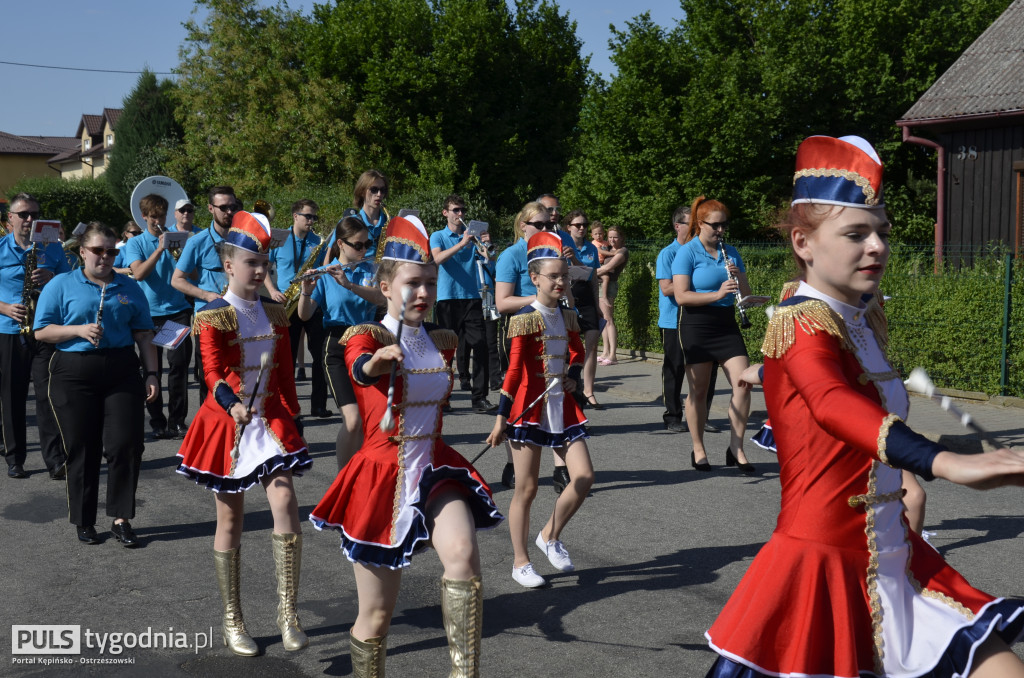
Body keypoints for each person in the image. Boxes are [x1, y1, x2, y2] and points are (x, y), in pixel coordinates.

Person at [704, 135, 1024, 678]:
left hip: (895, 557)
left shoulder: (858, 317)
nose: (877, 246)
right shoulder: (799, 321)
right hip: (823, 564)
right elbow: (833, 405)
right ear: (803, 243)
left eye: (882, 232)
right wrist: (947, 461)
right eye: (856, 234)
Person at [310, 215, 503, 677]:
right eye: (413, 283)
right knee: (377, 617)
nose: (423, 293)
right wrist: (378, 361)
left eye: (430, 284)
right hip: (382, 474)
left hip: (435, 466)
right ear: (385, 287)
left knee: (463, 559)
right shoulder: (365, 337)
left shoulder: (441, 339)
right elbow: (360, 371)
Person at [175, 210, 312, 656]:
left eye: (264, 264)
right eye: (250, 263)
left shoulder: (274, 312)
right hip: (228, 421)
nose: (258, 271)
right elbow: (211, 371)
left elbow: (287, 371)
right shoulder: (213, 315)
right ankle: (233, 618)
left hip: (269, 419)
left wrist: (292, 414)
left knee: (285, 498)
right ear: (228, 265)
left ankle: (288, 612)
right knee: (230, 518)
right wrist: (232, 404)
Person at [33, 222, 159, 546]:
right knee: (82, 448)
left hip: (120, 368)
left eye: (111, 250)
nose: (105, 256)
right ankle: (84, 519)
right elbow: (42, 331)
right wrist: (76, 330)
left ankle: (121, 518)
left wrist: (153, 373)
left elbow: (144, 335)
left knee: (126, 445)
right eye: (98, 250)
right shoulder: (61, 284)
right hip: (74, 370)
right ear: (82, 252)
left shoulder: (129, 288)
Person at [487, 230, 594, 588]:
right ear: (534, 279)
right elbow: (513, 371)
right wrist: (502, 417)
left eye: (564, 275)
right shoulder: (524, 318)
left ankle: (549, 535)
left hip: (561, 407)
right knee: (527, 488)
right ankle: (521, 562)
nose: (561, 281)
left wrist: (574, 377)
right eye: (554, 276)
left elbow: (577, 352)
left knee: (583, 477)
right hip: (527, 410)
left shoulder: (568, 316)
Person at [671, 197, 754, 472]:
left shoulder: (730, 252)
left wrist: (739, 280)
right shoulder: (688, 252)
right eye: (715, 225)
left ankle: (736, 448)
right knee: (699, 390)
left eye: (724, 225)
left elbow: (746, 292)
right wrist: (717, 293)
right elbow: (681, 296)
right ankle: (698, 448)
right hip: (696, 324)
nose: (721, 231)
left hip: (726, 323)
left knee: (743, 383)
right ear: (699, 224)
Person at [297, 215, 384, 469]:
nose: (364, 249)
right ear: (341, 244)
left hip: (368, 344)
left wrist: (348, 284)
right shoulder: (325, 274)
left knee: (371, 420)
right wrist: (306, 290)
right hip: (336, 346)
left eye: (368, 244)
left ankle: (364, 472)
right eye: (358, 245)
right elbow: (304, 314)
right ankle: (344, 479)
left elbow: (381, 299)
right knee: (353, 420)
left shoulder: (371, 270)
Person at [0, 193, 70, 479]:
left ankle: (54, 459)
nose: (30, 219)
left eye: (35, 214)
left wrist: (52, 278)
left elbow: (71, 283)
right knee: (12, 396)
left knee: (48, 395)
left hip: (43, 330)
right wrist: (4, 307)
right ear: (10, 220)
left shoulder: (52, 248)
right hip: (10, 329)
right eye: (24, 214)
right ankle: (15, 457)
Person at [123, 193, 194, 440]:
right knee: (152, 370)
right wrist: (160, 249)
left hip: (176, 310)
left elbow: (193, 274)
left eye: (162, 216)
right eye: (153, 217)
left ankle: (177, 420)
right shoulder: (136, 243)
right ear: (144, 217)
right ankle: (157, 421)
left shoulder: (178, 239)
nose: (158, 221)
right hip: (147, 315)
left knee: (178, 367)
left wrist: (185, 251)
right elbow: (139, 273)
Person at [494, 202, 551, 490]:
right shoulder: (511, 255)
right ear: (523, 226)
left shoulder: (551, 252)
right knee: (517, 395)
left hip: (549, 329)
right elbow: (502, 302)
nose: (544, 230)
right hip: (518, 329)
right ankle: (512, 461)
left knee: (553, 394)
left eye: (547, 225)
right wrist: (539, 299)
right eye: (537, 225)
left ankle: (561, 465)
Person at [430, 194, 496, 413]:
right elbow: (437, 259)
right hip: (447, 299)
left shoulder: (471, 237)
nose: (460, 214)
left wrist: (486, 246)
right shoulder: (438, 236)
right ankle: (443, 395)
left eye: (462, 210)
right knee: (446, 350)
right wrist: (462, 243)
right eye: (455, 210)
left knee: (481, 346)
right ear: (445, 213)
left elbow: (488, 261)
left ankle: (479, 398)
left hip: (472, 298)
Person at [265, 199, 330, 418]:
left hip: (310, 301)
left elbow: (323, 269)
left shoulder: (317, 242)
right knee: (287, 357)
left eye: (314, 217)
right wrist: (272, 290)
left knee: (320, 354)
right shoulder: (280, 238)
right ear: (295, 216)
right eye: (308, 216)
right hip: (285, 303)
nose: (311, 221)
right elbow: (264, 267)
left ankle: (319, 405)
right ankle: (287, 406)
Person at [173, 186, 238, 404]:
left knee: (239, 374)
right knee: (209, 378)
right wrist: (207, 295)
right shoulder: (196, 241)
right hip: (209, 317)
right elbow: (177, 279)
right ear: (211, 208)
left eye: (232, 207)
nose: (229, 212)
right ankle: (209, 426)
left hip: (239, 315)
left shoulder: (242, 239)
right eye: (223, 207)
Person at [656, 207, 717, 433]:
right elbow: (666, 288)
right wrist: (698, 285)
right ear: (677, 226)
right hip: (673, 321)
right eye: (690, 225)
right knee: (675, 369)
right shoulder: (668, 253)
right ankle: (672, 416)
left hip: (701, 320)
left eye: (697, 225)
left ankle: (703, 416)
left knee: (707, 370)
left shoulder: (703, 251)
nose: (695, 230)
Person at [564, 210, 603, 409]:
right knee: (568, 347)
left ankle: (589, 391)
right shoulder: (562, 244)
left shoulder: (591, 248)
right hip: (568, 298)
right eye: (577, 224)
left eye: (584, 224)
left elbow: (592, 278)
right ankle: (572, 385)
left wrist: (598, 305)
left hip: (586, 298)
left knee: (593, 343)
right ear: (568, 227)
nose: (581, 228)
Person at [596, 225, 628, 365]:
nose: (612, 240)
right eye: (610, 237)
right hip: (600, 285)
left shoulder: (622, 251)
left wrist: (589, 273)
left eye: (615, 237)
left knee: (608, 319)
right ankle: (605, 352)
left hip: (609, 287)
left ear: (621, 238)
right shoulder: (608, 250)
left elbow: (608, 268)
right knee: (603, 319)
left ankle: (613, 355)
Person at [352, 170, 389, 260]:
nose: (379, 194)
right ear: (362, 191)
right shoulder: (349, 222)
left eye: (383, 190)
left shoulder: (390, 222)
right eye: (374, 190)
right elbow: (329, 259)